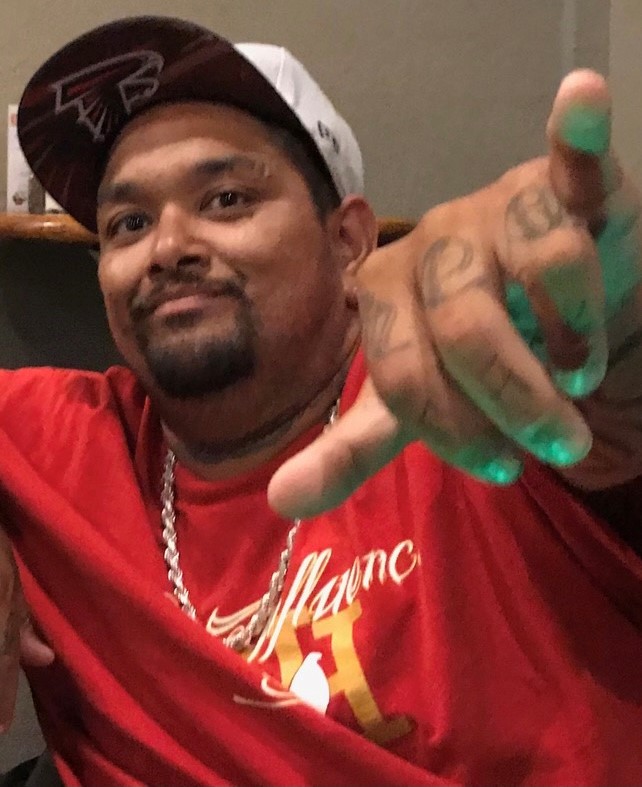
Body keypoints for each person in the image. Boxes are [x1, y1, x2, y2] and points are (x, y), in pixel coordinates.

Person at [1, 13, 641, 786]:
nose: (167, 248)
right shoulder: (56, 438)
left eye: (227, 199)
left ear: (348, 243)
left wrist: (605, 338)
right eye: (129, 223)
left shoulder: (475, 400)